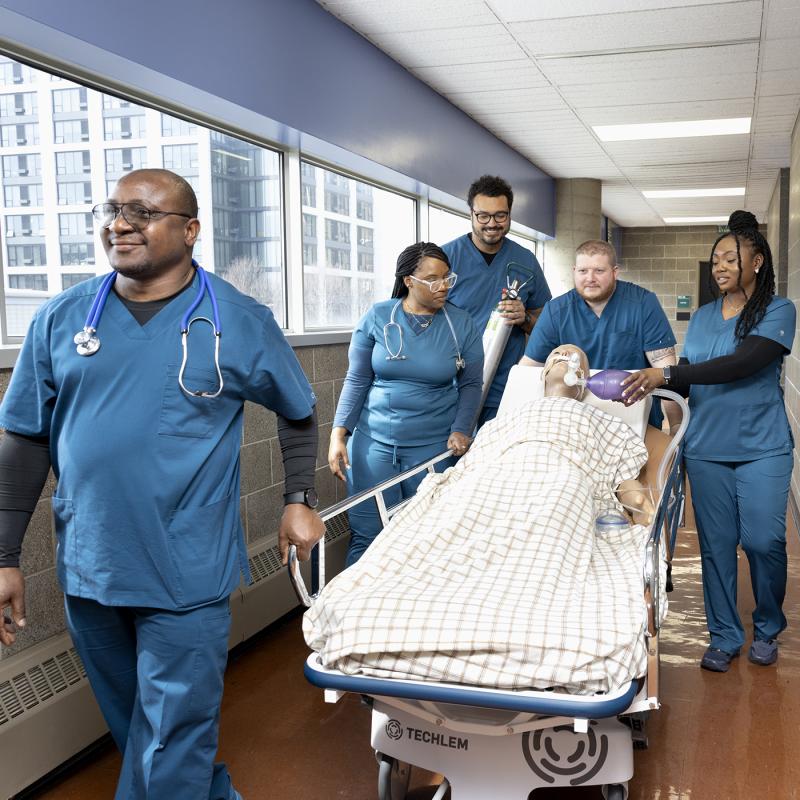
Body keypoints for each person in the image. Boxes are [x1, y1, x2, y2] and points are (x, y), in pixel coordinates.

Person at [0, 169, 325, 800]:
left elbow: (298, 410)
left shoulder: (239, 319)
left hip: (187, 565)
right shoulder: (61, 318)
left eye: (143, 213)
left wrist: (298, 499)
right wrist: (4, 556)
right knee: (137, 727)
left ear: (190, 230)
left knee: (173, 732)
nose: (120, 224)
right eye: (113, 210)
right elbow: (24, 441)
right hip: (93, 565)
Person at [308, 345, 658, 695]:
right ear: (544, 374)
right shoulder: (504, 421)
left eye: (575, 359)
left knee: (555, 513)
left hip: (561, 480)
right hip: (493, 481)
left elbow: (623, 480)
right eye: (557, 356)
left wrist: (641, 504)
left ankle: (524, 610)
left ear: (583, 381)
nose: (565, 359)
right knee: (452, 521)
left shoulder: (602, 421)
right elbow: (470, 470)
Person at [620, 210, 795, 673]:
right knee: (716, 545)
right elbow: (688, 382)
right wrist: (656, 398)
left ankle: (768, 626)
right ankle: (723, 635)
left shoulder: (778, 311)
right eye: (715, 259)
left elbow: (743, 362)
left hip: (762, 446)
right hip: (706, 448)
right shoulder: (700, 319)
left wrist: (671, 372)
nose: (718, 266)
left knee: (763, 540)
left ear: (757, 262)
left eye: (729, 258)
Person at [328, 242, 483, 566]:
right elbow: (357, 379)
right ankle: (356, 612)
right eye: (432, 279)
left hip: (432, 448)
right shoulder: (378, 317)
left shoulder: (460, 324)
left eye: (447, 278)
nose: (443, 286)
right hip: (373, 447)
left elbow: (470, 385)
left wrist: (461, 430)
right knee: (368, 535)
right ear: (409, 281)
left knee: (425, 538)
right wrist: (338, 434)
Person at [520, 238, 680, 430]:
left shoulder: (643, 304)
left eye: (599, 271)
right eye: (583, 271)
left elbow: (666, 372)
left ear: (615, 272)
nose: (590, 278)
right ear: (574, 272)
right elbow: (527, 372)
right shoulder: (556, 311)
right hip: (574, 422)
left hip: (634, 421)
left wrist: (676, 426)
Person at [442, 175, 551, 425]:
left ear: (510, 214)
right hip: (452, 386)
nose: (492, 223)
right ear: (471, 214)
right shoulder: (446, 258)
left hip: (506, 387)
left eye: (500, 215)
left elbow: (546, 325)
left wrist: (525, 319)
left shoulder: (525, 261)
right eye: (483, 216)